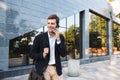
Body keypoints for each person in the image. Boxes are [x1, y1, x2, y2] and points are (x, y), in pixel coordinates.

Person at [29, 14, 67, 80]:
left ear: (57, 25)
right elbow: (31, 54)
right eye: (48, 23)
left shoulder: (60, 37)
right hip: (44, 69)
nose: (50, 25)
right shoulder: (39, 38)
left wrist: (58, 39)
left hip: (56, 69)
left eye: (52, 23)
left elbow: (63, 54)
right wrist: (43, 54)